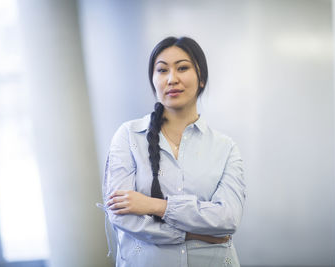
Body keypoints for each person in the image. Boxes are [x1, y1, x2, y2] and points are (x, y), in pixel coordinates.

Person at [102, 36, 246, 267]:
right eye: (162, 70)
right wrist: (191, 235)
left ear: (201, 78)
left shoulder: (225, 147)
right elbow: (122, 214)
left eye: (182, 68)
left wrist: (155, 206)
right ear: (153, 80)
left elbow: (227, 219)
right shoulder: (128, 136)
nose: (172, 79)